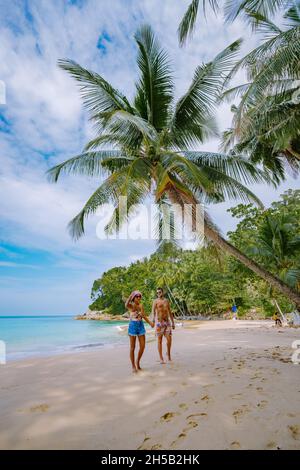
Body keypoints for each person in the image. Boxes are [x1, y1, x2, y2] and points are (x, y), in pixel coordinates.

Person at [125, 290, 153, 373]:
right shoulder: (131, 305)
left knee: (143, 346)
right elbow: (126, 304)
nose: (139, 298)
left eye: (140, 296)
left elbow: (143, 315)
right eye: (137, 296)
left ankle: (137, 361)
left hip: (140, 325)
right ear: (134, 297)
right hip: (133, 326)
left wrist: (150, 322)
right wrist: (130, 295)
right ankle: (133, 365)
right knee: (132, 347)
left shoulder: (141, 305)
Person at [151, 287, 175, 364]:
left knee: (169, 339)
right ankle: (161, 358)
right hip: (159, 323)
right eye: (157, 293)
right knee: (160, 340)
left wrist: (173, 322)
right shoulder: (155, 301)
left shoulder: (166, 301)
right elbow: (153, 312)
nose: (158, 294)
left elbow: (170, 312)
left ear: (162, 292)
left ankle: (168, 354)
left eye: (160, 292)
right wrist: (153, 320)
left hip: (167, 322)